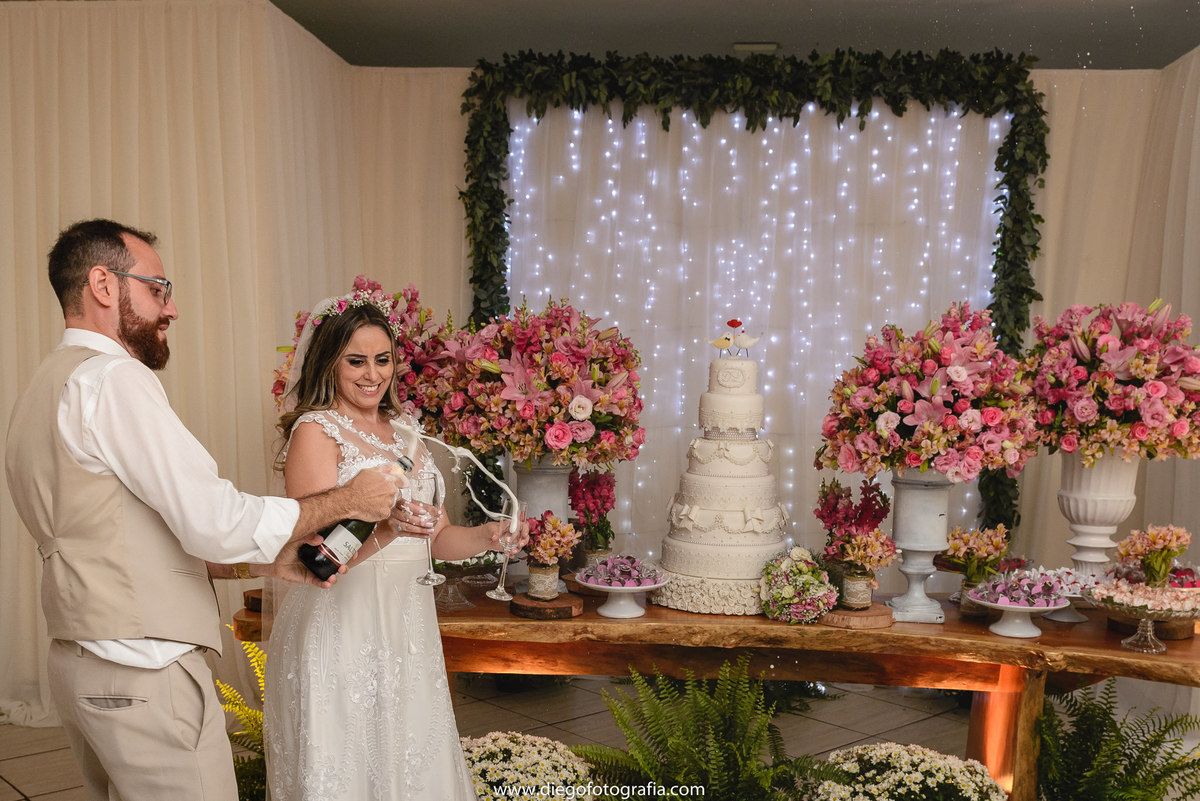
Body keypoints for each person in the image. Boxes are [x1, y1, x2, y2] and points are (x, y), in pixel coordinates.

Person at [4, 219, 400, 801]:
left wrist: (264, 564)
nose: (172, 309)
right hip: (145, 668)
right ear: (104, 285)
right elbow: (215, 521)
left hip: (79, 661)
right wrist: (352, 499)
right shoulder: (115, 380)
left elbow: (111, 531)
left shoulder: (46, 385)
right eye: (158, 288)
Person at [263, 297, 525, 801]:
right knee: (345, 758)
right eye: (355, 360)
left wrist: (490, 536)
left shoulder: (407, 435)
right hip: (341, 622)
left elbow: (440, 539)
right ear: (329, 362)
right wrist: (387, 529)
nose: (372, 374)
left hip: (407, 628)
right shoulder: (317, 432)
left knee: (410, 759)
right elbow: (310, 556)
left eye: (382, 359)